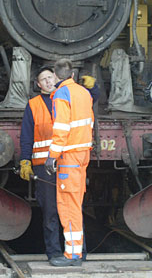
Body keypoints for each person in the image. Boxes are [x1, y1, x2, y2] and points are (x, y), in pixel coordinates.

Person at [45, 59, 95, 267]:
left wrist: (51, 156)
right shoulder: (84, 93)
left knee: (68, 206)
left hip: (69, 156)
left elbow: (62, 129)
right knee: (76, 202)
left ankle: (72, 255)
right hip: (83, 153)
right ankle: (76, 251)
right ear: (73, 74)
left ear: (56, 76)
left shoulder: (61, 94)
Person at [19, 66, 62, 260]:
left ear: (56, 78)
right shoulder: (34, 105)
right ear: (38, 85)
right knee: (50, 211)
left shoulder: (66, 98)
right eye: (43, 79)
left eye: (50, 77)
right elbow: (27, 136)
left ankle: (77, 252)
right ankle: (54, 252)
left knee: (71, 209)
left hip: (67, 163)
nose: (48, 81)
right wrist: (25, 160)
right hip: (44, 167)